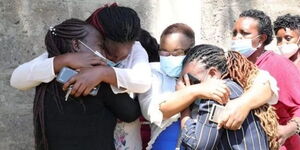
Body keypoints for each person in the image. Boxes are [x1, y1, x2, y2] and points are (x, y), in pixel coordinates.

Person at [10, 4, 151, 150]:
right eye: (106, 51)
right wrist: (64, 60)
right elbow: (17, 78)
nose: (110, 59)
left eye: (123, 55)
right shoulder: (63, 59)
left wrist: (102, 73)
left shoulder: (136, 50)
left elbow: (143, 81)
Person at [33, 18, 140, 150]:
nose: (104, 54)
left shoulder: (43, 79)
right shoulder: (94, 79)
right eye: (100, 46)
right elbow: (130, 113)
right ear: (76, 45)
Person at [179, 44, 278, 150]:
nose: (189, 87)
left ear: (213, 73)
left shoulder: (215, 94)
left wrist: (183, 106)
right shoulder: (238, 85)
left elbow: (198, 147)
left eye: (192, 80)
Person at [231, 9, 300, 150]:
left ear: (261, 39)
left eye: (244, 34)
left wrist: (287, 130)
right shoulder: (232, 66)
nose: (237, 38)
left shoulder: (279, 65)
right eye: (234, 33)